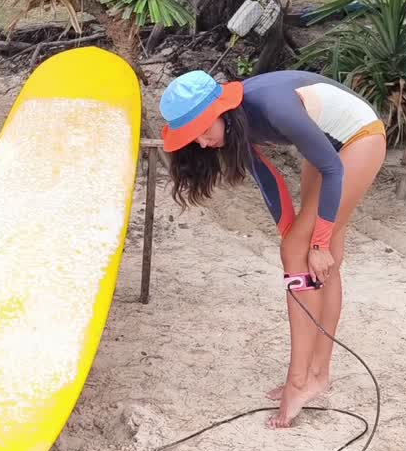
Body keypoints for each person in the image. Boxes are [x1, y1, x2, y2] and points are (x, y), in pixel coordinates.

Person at [158, 70, 387, 428]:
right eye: (193, 137)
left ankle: (299, 381)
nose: (201, 143)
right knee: (306, 254)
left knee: (304, 251)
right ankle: (317, 375)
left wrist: (315, 242)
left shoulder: (273, 106)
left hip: (358, 140)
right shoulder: (235, 126)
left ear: (221, 110)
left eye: (203, 130)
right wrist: (293, 237)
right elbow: (269, 179)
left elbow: (332, 169)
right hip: (327, 148)